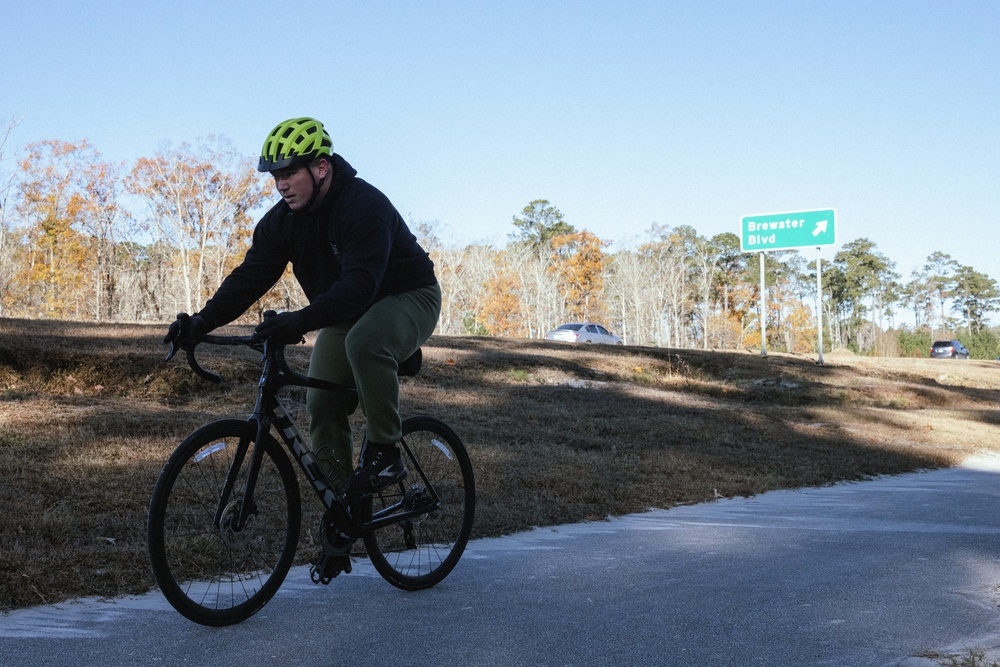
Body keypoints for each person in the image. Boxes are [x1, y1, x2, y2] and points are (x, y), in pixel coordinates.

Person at [165, 117, 440, 496]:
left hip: (409, 296)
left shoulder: (364, 206)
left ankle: (386, 453)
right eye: (275, 176)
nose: (280, 184)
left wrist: (299, 322)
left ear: (321, 167)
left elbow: (360, 286)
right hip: (346, 311)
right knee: (322, 404)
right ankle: (342, 522)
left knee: (366, 342)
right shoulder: (282, 222)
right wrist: (202, 321)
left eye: (290, 173)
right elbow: (251, 277)